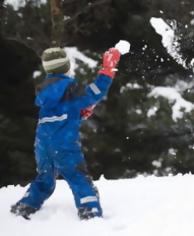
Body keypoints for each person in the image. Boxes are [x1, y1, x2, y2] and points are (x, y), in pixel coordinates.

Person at [10, 47, 121, 220]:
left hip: (43, 144)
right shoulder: (70, 89)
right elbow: (95, 92)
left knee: (45, 178)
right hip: (64, 144)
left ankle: (26, 205)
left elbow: (58, 112)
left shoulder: (44, 91)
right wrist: (107, 70)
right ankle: (89, 208)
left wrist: (77, 112)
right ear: (66, 66)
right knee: (77, 176)